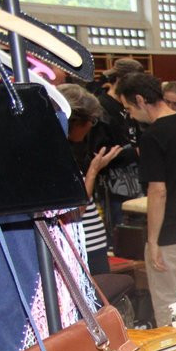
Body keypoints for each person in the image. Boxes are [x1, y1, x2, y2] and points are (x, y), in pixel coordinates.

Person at [115, 73, 176, 327]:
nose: (130, 114)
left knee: (170, 306)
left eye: (128, 108)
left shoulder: (152, 136)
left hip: (171, 235)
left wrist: (152, 241)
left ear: (140, 100)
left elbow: (158, 191)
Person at [59, 84, 122, 276]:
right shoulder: (60, 155)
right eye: (91, 121)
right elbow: (76, 207)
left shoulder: (64, 149)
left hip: (87, 237)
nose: (90, 127)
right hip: (81, 240)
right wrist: (94, 170)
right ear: (76, 121)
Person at [90, 57, 144, 234]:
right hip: (114, 186)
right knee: (122, 235)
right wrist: (133, 152)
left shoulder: (130, 105)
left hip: (138, 179)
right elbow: (99, 152)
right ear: (120, 80)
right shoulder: (102, 107)